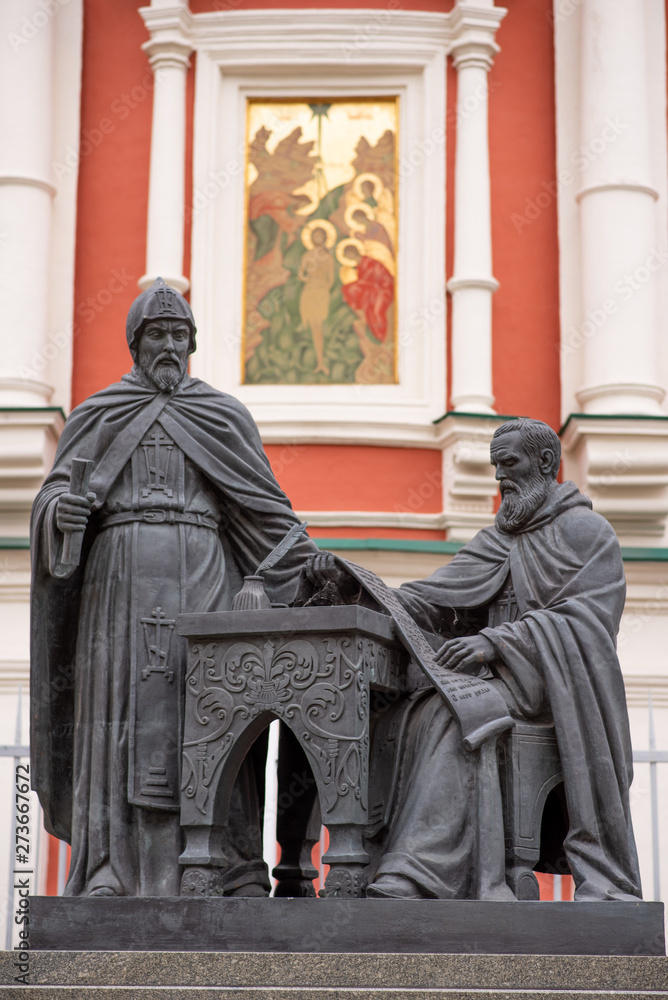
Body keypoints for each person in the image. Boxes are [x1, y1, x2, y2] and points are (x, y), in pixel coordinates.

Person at [31, 278, 318, 897]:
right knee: (117, 714)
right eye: (156, 335)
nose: (169, 346)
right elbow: (54, 496)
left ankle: (221, 868)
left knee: (214, 714)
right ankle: (109, 869)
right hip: (119, 583)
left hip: (205, 582)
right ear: (135, 344)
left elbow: (272, 520)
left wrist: (264, 584)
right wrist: (62, 515)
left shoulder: (223, 415)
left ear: (192, 343)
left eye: (179, 335)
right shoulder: (99, 413)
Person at [306, 418, 642, 901]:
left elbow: (588, 623)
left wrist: (498, 643)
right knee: (401, 711)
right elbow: (427, 600)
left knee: (456, 713)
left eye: (510, 463)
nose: (501, 477)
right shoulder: (496, 540)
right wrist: (351, 584)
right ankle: (394, 864)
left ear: (545, 463)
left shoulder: (587, 533)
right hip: (493, 681)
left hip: (552, 688)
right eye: (495, 467)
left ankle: (418, 873)